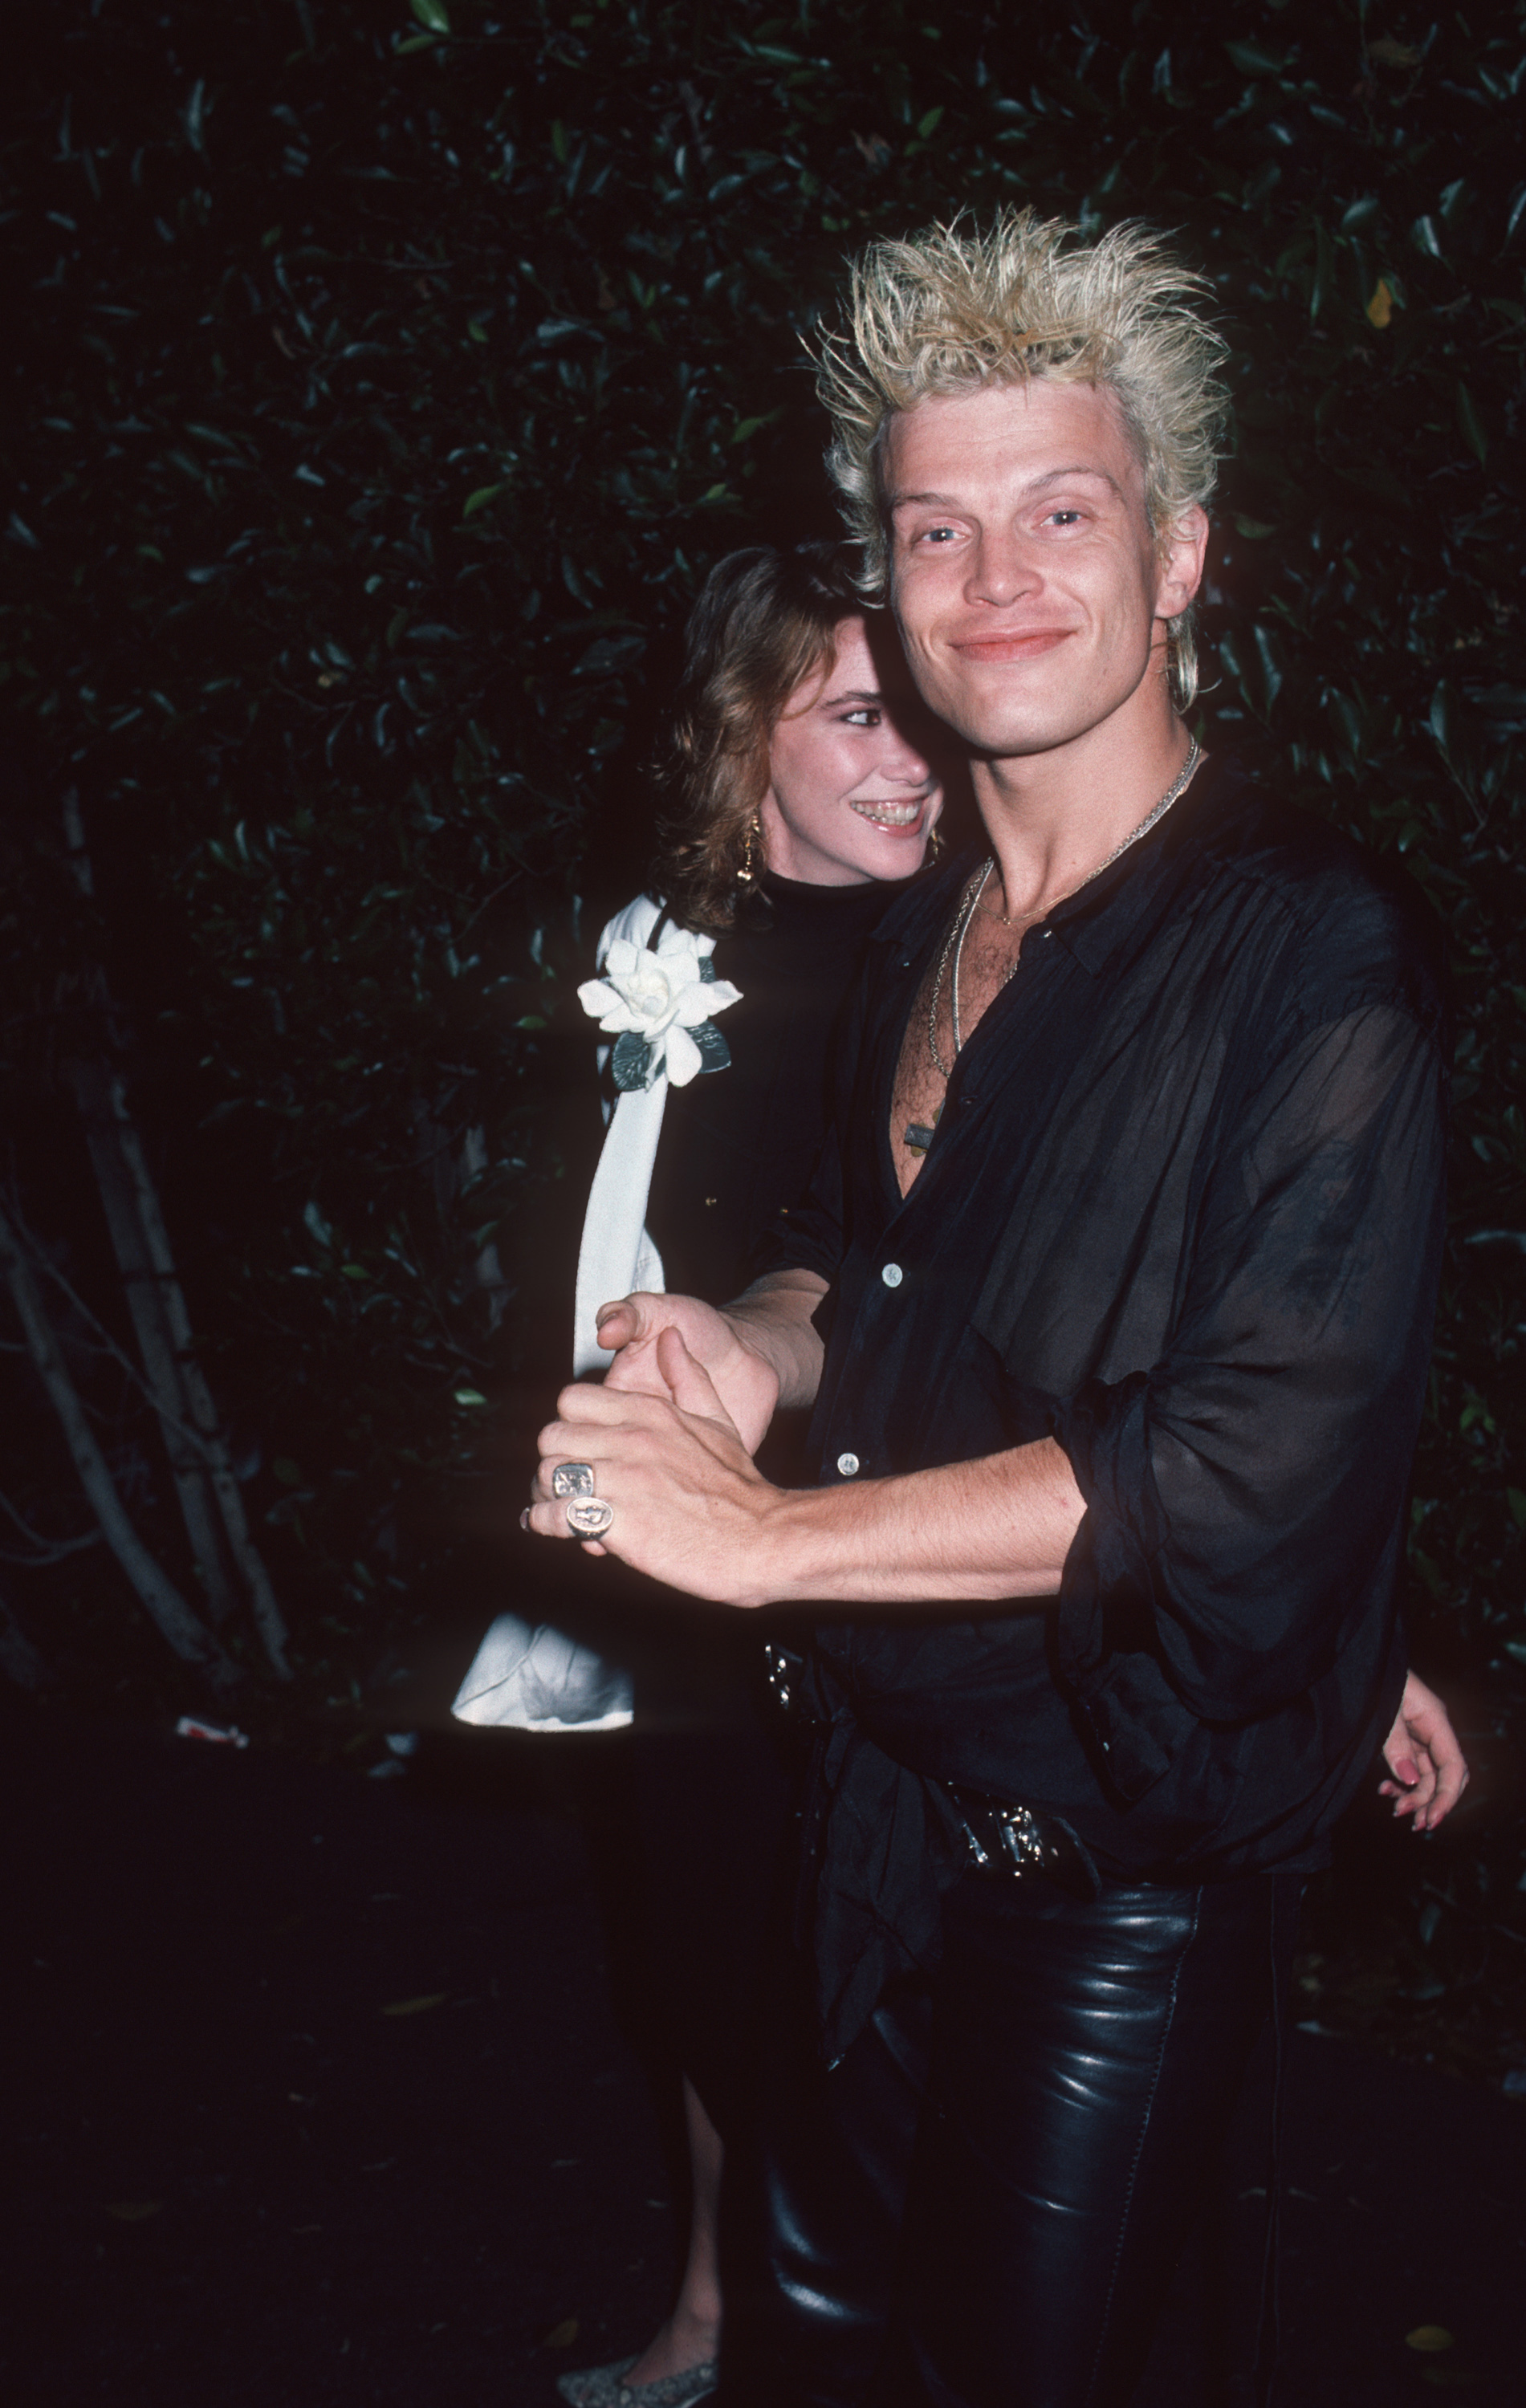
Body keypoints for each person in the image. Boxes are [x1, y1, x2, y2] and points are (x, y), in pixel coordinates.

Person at [525, 210, 1469, 2408]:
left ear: (1177, 557)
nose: (995, 579)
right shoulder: (932, 916)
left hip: (1111, 1896)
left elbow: (1243, 1457)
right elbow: (879, 1286)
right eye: (935, 528)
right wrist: (744, 1355)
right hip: (863, 1827)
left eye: (1063, 511)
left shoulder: (1309, 945)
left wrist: (757, 1543)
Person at [544, 543, 946, 2408]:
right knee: (688, 1957)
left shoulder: (958, 959)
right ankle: (714, 2306)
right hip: (668, 1538)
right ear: (743, 734)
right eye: (861, 715)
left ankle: (849, 2340)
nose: (911, 763)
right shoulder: (659, 946)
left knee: (857, 1999)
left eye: (925, 718)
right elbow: (590, 1228)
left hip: (867, 1554)